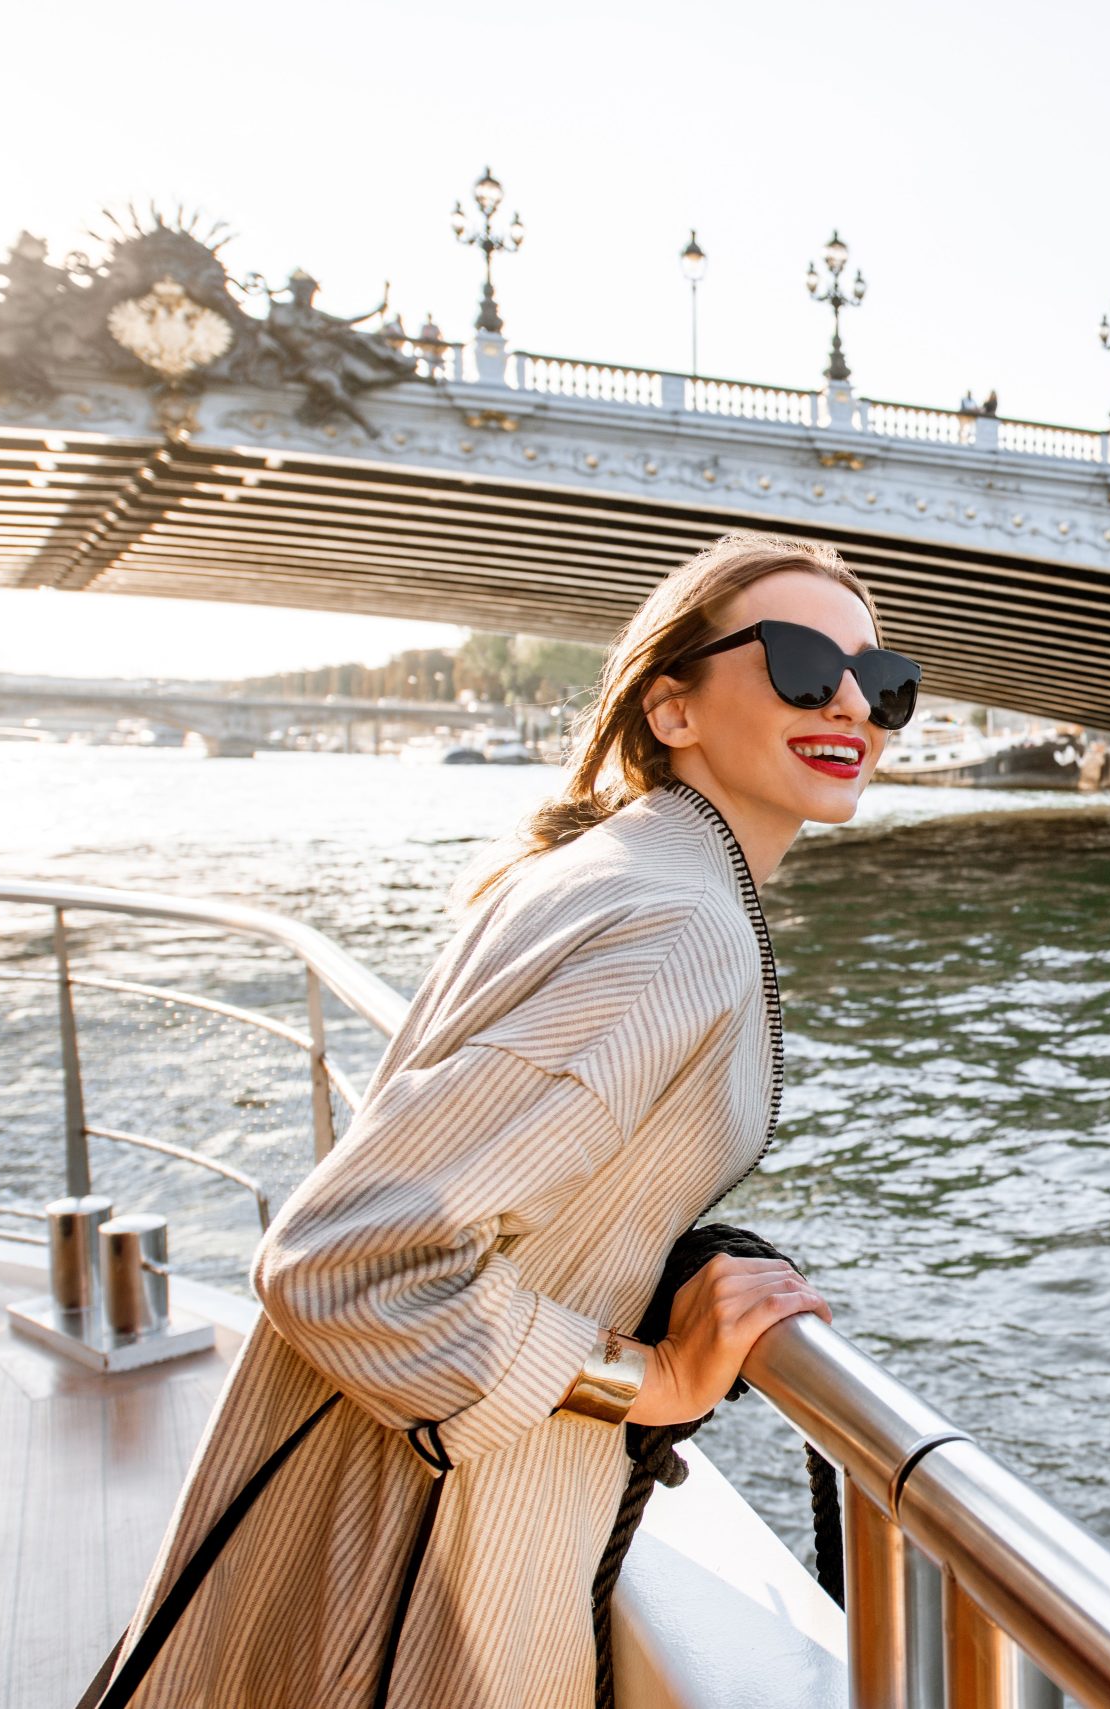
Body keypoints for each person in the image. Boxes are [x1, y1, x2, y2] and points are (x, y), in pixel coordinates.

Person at [90, 531, 923, 1707]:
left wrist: (645, 1246)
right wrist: (652, 1376)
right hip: (430, 1547)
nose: (851, 700)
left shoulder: (614, 865)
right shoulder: (674, 926)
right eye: (797, 662)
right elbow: (350, 1259)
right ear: (670, 707)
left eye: (882, 681)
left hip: (360, 1472)